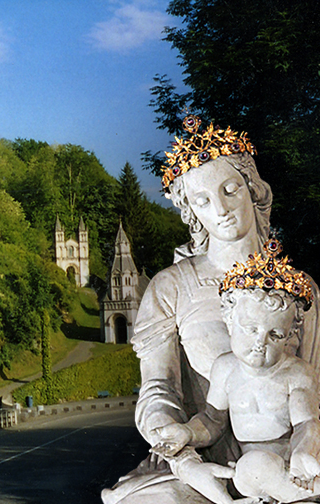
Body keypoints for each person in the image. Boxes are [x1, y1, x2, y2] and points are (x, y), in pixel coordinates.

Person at [102, 117, 320, 504]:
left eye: (230, 189)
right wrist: (186, 462)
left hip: (292, 458)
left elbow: (314, 388)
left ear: (252, 189)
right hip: (203, 459)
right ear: (191, 212)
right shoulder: (171, 287)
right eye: (202, 200)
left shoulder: (299, 289)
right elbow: (158, 391)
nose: (220, 209)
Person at [152, 239, 320, 503]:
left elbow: (305, 424)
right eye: (250, 329)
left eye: (274, 334)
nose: (259, 343)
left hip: (295, 466)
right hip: (250, 472)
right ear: (229, 321)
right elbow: (212, 420)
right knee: (251, 468)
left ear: (289, 337)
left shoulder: (297, 374)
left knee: (262, 468)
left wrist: (302, 453)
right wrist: (187, 433)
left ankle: (299, 492)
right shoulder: (226, 368)